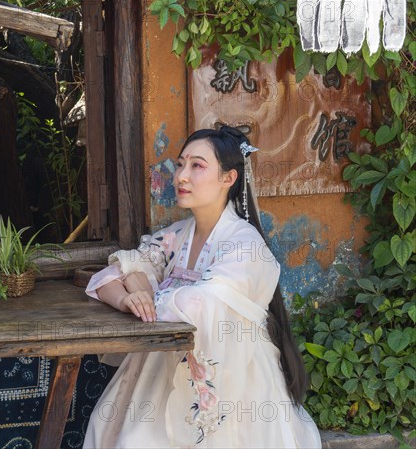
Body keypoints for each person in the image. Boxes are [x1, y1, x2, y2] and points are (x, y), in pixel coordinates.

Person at [82, 127, 321, 448]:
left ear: (229, 178)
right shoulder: (176, 236)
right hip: (164, 367)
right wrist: (128, 298)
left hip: (231, 374)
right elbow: (108, 278)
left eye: (197, 166)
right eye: (181, 164)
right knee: (130, 436)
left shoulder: (245, 245)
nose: (181, 176)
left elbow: (202, 303)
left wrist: (146, 289)